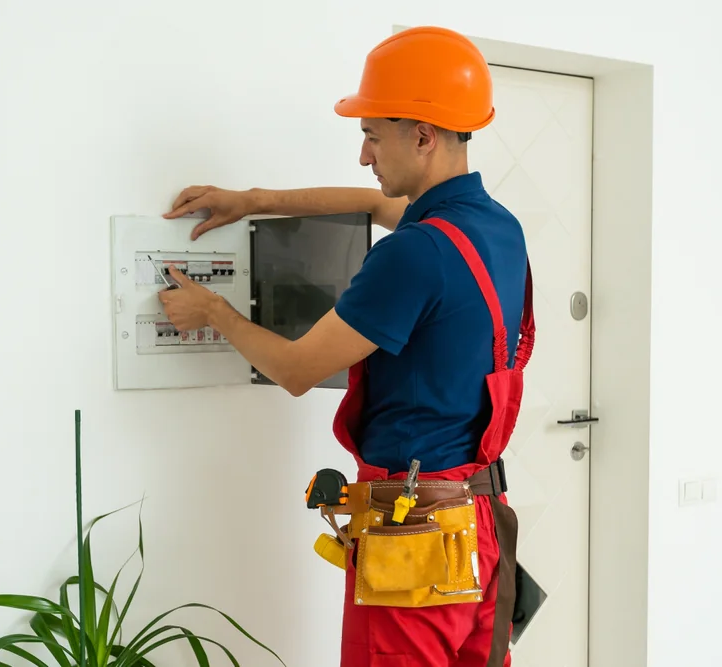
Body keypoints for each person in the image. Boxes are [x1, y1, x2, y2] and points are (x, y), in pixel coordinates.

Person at [159, 26, 535, 667]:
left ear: (422, 134)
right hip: (482, 530)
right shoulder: (496, 228)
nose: (365, 156)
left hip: (412, 541)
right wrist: (251, 202)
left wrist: (213, 310)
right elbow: (370, 201)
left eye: (372, 134)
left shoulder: (414, 254)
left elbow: (298, 368)